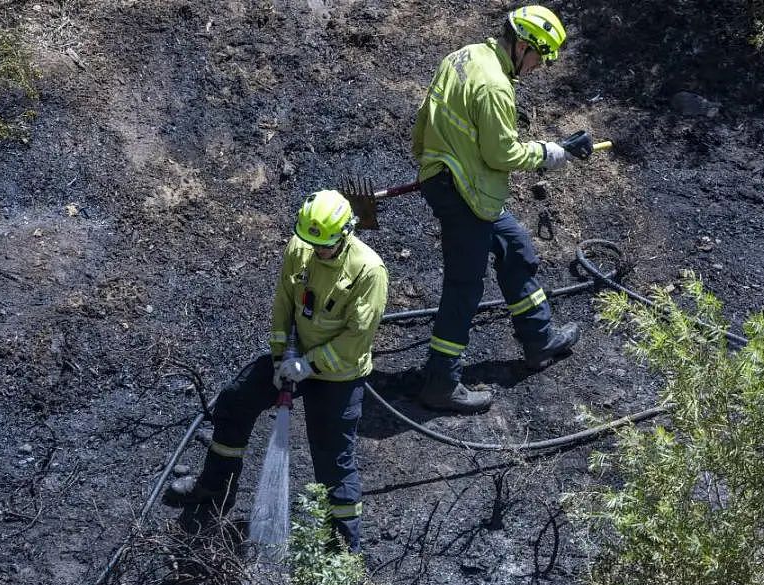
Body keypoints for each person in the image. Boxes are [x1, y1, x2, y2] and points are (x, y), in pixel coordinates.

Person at [163, 190, 388, 553]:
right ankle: (215, 487)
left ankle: (344, 551)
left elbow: (355, 342)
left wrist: (309, 365)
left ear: (346, 233)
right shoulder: (301, 247)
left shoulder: (368, 271)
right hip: (293, 357)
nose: (318, 251)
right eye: (312, 243)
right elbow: (285, 302)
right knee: (235, 401)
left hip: (338, 373)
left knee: (333, 458)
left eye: (325, 246)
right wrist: (281, 355)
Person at [410, 5, 581, 414]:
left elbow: (424, 119)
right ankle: (441, 381)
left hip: (458, 184)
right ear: (523, 45)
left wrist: (427, 163)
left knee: (515, 247)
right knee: (464, 287)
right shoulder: (495, 86)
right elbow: (502, 152)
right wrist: (552, 152)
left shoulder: (463, 56)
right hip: (464, 191)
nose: (539, 67)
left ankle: (538, 339)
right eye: (541, 57)